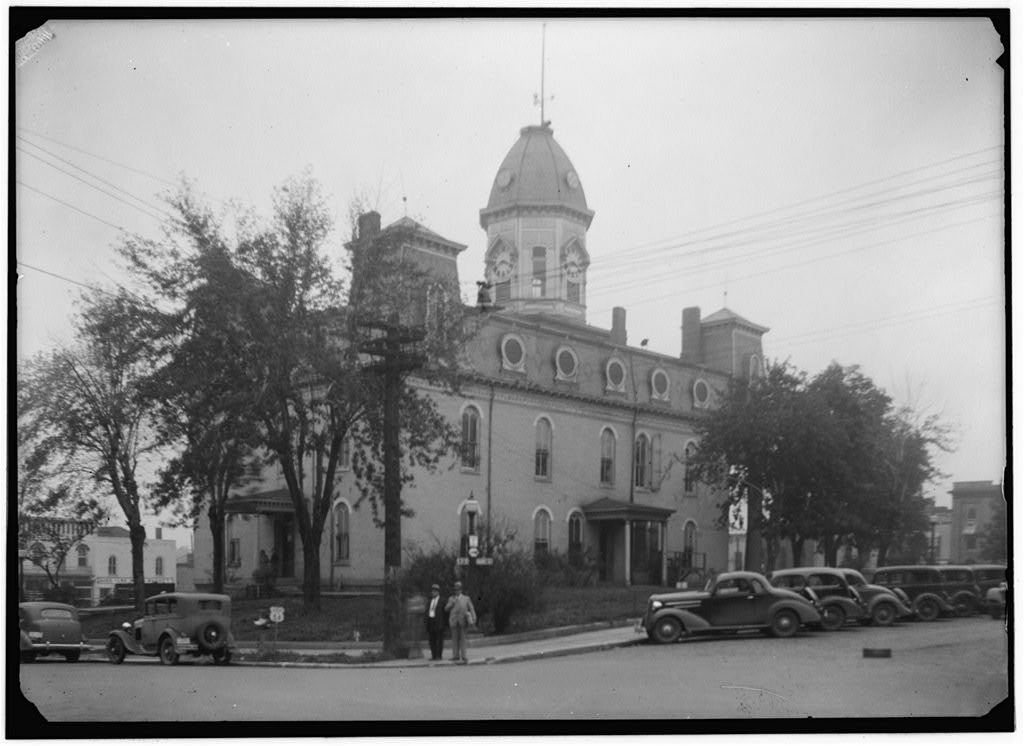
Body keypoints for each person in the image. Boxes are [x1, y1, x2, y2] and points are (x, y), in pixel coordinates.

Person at [445, 580, 476, 663]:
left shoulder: (466, 598)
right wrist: (451, 603)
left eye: (458, 589)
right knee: (454, 639)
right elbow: (446, 608)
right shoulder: (451, 598)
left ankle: (464, 656)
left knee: (463, 639)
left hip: (462, 621)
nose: (457, 591)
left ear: (461, 590)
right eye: (455, 589)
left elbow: (471, 608)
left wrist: (473, 618)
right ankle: (455, 656)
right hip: (454, 621)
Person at [423, 583, 447, 661]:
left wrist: (444, 623)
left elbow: (445, 613)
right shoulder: (430, 601)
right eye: (432, 591)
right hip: (431, 621)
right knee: (432, 640)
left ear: (438, 592)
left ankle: (439, 656)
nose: (433, 593)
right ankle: (433, 655)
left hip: (439, 622)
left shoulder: (442, 601)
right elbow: (427, 611)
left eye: (435, 591)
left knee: (439, 640)